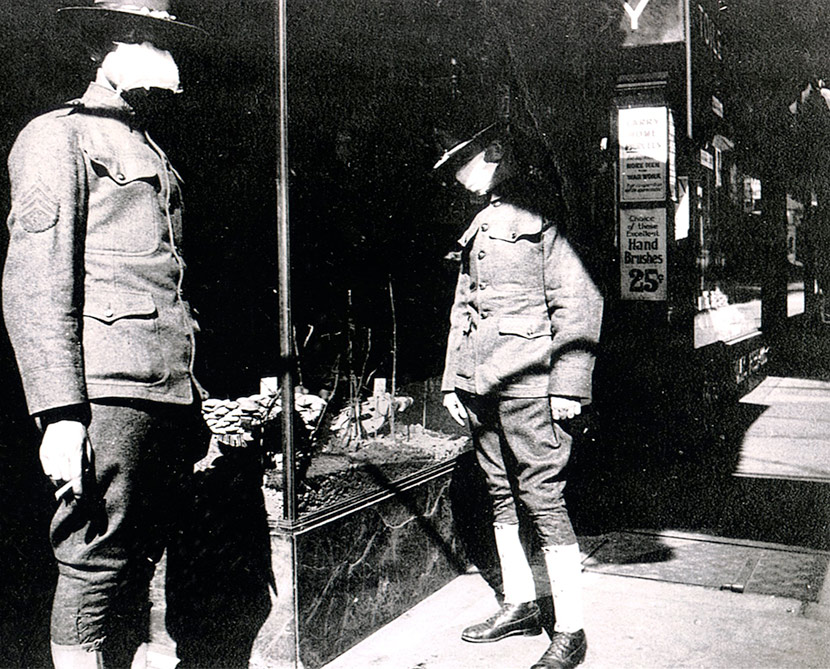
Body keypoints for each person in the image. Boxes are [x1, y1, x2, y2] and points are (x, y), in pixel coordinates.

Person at [2, 2, 208, 667]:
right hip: (105, 387)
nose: (167, 57)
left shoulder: (150, 144)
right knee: (91, 552)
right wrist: (60, 412)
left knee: (151, 544)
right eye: (149, 40)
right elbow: (36, 281)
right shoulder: (57, 138)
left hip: (165, 384)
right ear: (104, 49)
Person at [436, 124, 603, 669]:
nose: (457, 176)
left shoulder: (545, 215)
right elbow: (465, 310)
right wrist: (452, 379)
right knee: (499, 493)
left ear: (497, 153)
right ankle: (521, 603)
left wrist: (570, 384)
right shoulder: (484, 219)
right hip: (482, 384)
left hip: (532, 385)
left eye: (463, 161)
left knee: (544, 499)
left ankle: (571, 628)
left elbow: (577, 302)